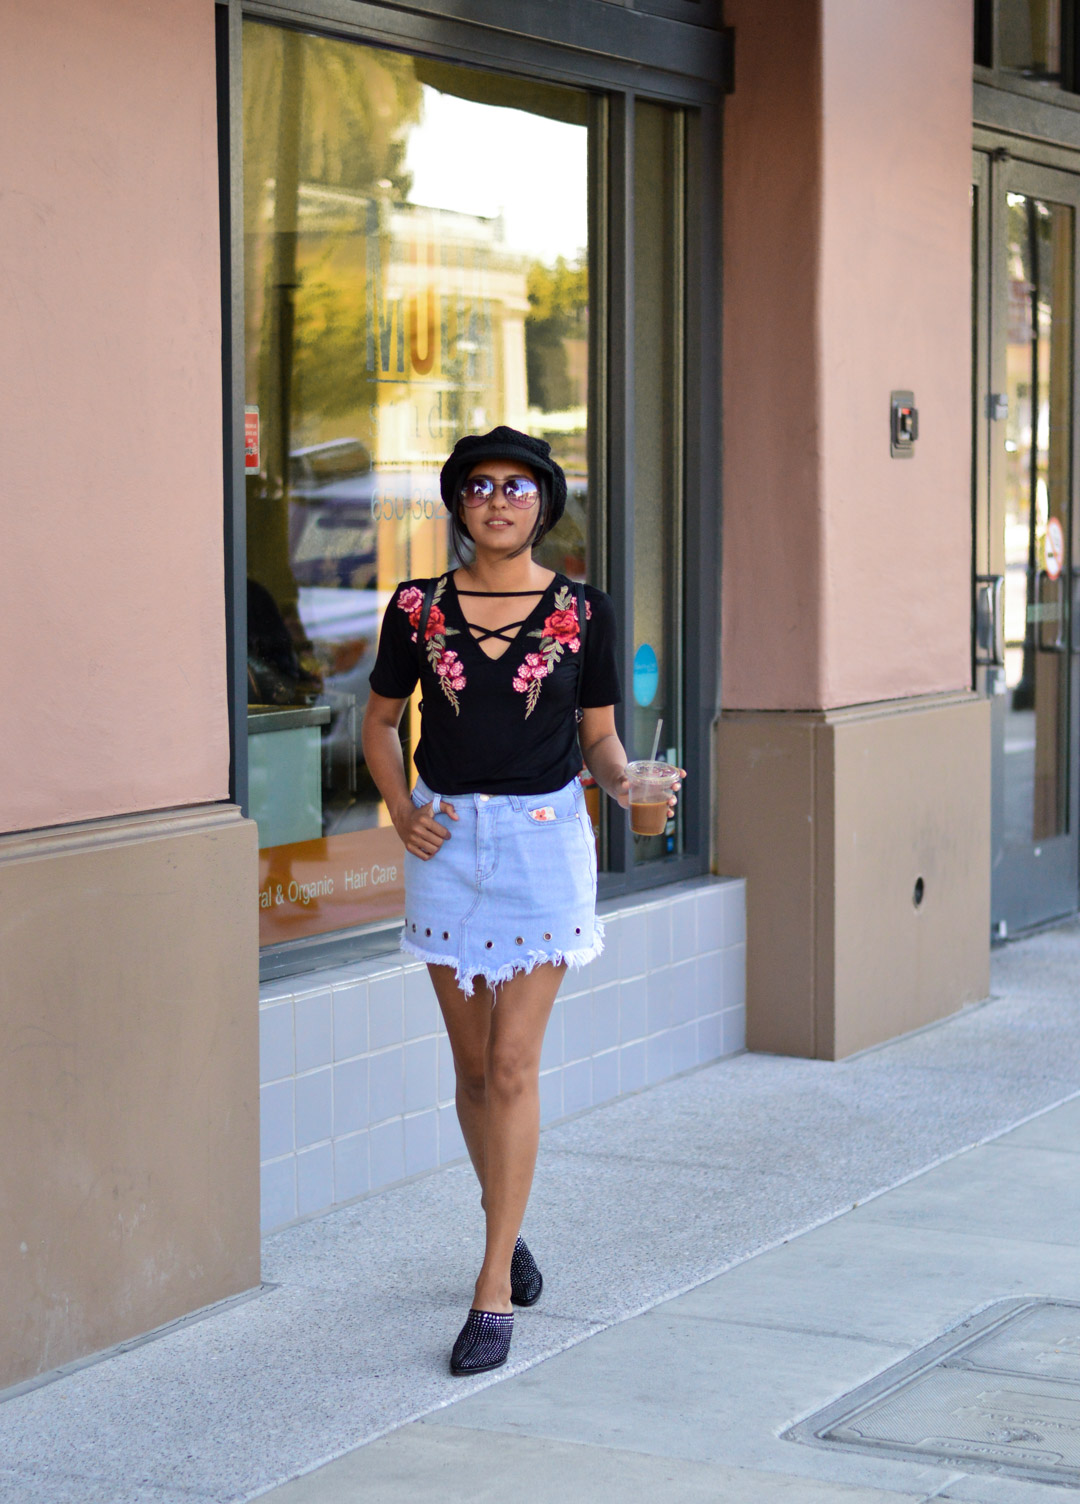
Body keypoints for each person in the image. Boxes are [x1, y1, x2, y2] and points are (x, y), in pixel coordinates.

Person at [361, 426, 684, 1376]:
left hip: (545, 845)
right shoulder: (416, 608)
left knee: (510, 1066)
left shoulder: (584, 610)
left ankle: (491, 1286)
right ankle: (509, 1223)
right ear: (460, 505)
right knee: (468, 1073)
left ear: (544, 502)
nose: (497, 500)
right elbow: (381, 724)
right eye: (477, 486)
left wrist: (631, 789)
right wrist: (399, 806)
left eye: (516, 486)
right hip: (445, 842)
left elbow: (600, 744)